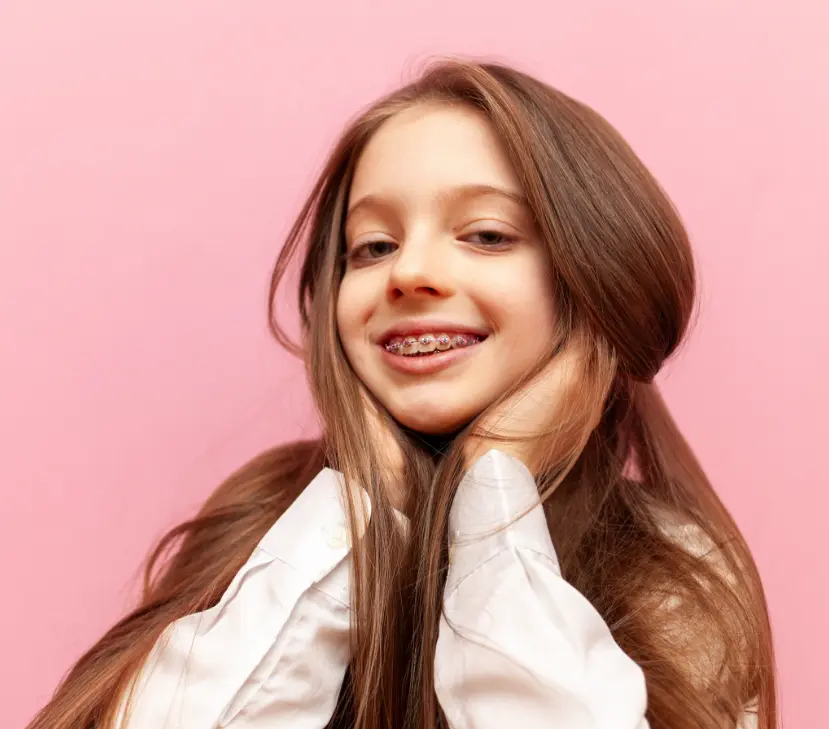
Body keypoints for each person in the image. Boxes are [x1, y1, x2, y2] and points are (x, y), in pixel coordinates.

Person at [28, 57, 777, 729]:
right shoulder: (263, 519)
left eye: (485, 234)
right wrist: (356, 510)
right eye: (373, 245)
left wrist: (496, 497)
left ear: (592, 281)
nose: (407, 272)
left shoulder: (673, 571)